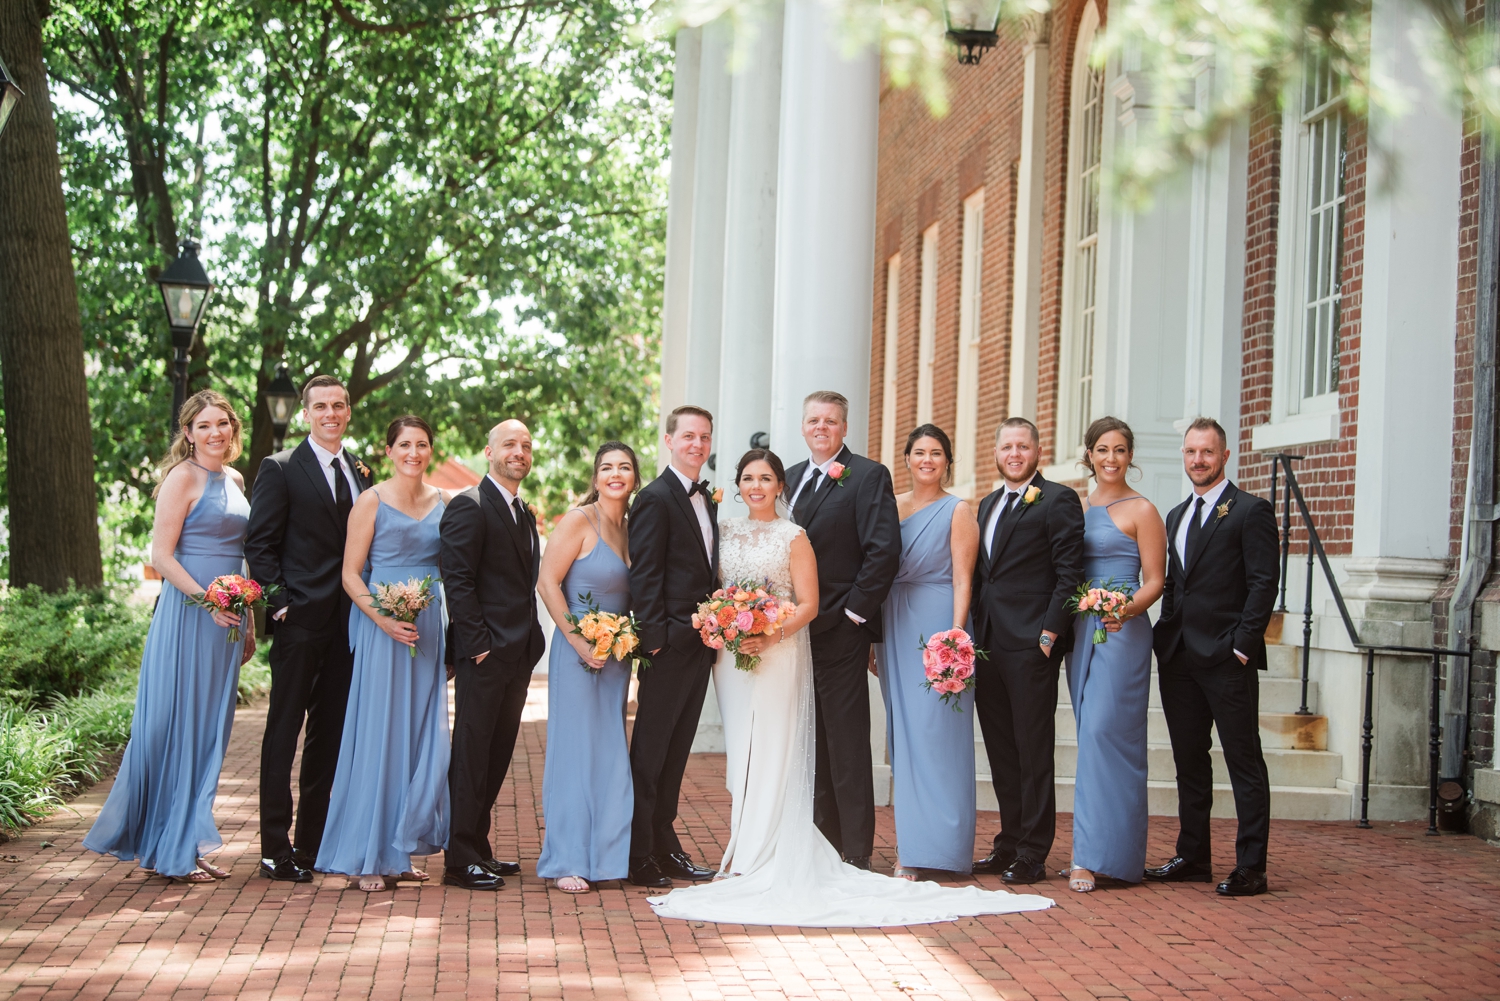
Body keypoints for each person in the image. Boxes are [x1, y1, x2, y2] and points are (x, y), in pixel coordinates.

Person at [648, 449, 1053, 926]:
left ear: (780, 486)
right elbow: (705, 583)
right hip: (732, 661)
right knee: (742, 756)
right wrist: (722, 624)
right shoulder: (727, 529)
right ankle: (745, 844)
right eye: (748, 478)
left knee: (783, 748)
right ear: (738, 485)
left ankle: (777, 850)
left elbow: (833, 582)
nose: (756, 486)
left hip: (786, 646)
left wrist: (775, 629)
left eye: (765, 478)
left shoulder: (797, 531)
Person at [85, 391, 255, 883]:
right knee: (180, 726)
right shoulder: (181, 478)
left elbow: (241, 557)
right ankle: (170, 845)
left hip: (227, 619)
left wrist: (244, 619)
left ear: (232, 428)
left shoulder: (237, 480)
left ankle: (185, 838)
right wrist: (208, 602)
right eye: (203, 426)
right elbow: (161, 556)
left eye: (222, 423)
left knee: (209, 733)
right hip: (189, 614)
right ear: (187, 433)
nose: (215, 433)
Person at [315, 416, 453, 891]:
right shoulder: (369, 501)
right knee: (380, 733)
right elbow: (351, 574)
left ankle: (400, 849)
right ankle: (369, 854)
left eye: (422, 444)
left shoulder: (445, 503)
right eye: (405, 444)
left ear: (429, 450)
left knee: (419, 736)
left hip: (427, 627)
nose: (413, 452)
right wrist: (384, 618)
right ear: (389, 450)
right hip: (381, 626)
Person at [246, 374, 372, 882]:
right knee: (283, 732)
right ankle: (274, 847)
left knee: (330, 737)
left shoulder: (362, 471)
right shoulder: (279, 469)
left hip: (349, 624)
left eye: (338, 405)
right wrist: (278, 606)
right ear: (306, 413)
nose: (330, 414)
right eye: (320, 406)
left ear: (347, 411)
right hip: (299, 621)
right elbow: (260, 543)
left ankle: (312, 844)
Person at [1147, 417, 1279, 897]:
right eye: (1190, 453)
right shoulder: (1177, 515)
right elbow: (1177, 583)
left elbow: (1264, 584)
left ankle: (1252, 867)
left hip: (1227, 657)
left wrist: (1242, 646)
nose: (1197, 460)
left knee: (1243, 760)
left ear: (1225, 456)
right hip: (1179, 657)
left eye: (1206, 452)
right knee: (1189, 761)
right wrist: (1165, 637)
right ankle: (1193, 856)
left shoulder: (1249, 511)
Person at [781, 391, 900, 870]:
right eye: (814, 420)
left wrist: (855, 615)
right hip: (793, 632)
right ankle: (818, 841)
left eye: (831, 421)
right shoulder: (787, 479)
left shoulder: (868, 476)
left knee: (847, 739)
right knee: (809, 737)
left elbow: (883, 551)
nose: (822, 428)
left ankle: (855, 850)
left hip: (840, 629)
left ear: (844, 428)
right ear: (803, 425)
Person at [970, 416, 1086, 885]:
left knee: (1033, 749)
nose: (1014, 454)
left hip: (1032, 645)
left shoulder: (1059, 500)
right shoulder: (986, 504)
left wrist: (1049, 635)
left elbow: (1069, 572)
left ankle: (1034, 852)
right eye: (1007, 447)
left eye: (1023, 446)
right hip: (988, 644)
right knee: (1000, 749)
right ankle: (1010, 842)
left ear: (1037, 452)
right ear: (996, 453)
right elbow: (984, 576)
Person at [440, 420, 547, 890]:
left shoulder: (523, 512)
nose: (519, 451)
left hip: (518, 653)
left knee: (497, 753)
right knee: (471, 753)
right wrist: (478, 644)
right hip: (484, 653)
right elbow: (457, 580)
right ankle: (459, 857)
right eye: (510, 444)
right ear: (489, 451)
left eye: (525, 445)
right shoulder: (469, 505)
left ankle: (478, 846)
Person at [1063, 417, 1166, 893]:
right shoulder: (1076, 507)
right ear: (1089, 455)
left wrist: (1124, 610)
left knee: (1110, 734)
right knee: (1090, 735)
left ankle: (1098, 856)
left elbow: (1155, 581)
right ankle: (1101, 851)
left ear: (1130, 456)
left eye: (1120, 450)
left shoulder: (1142, 510)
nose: (1110, 458)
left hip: (1121, 630)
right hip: (1083, 627)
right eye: (1102, 449)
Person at [875, 424, 980, 879]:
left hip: (937, 624)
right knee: (906, 737)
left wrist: (955, 636)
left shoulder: (960, 510)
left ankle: (947, 850)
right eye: (919, 452)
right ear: (907, 458)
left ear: (947, 461)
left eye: (936, 453)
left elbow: (963, 577)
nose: (927, 460)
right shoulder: (891, 508)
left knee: (940, 736)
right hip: (895, 623)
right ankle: (913, 849)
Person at [535, 442, 640, 893]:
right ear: (595, 477)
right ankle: (567, 859)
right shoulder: (580, 520)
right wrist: (579, 642)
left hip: (617, 655)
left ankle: (608, 857)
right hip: (578, 653)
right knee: (575, 753)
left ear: (635, 477)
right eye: (606, 468)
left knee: (611, 753)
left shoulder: (634, 528)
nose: (615, 474)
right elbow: (547, 582)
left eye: (625, 467)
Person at [626, 406, 720, 888]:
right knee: (650, 753)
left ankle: (665, 845)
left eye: (704, 437)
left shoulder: (709, 500)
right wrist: (655, 644)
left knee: (677, 750)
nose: (697, 444)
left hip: (701, 645)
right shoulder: (655, 498)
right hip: (668, 646)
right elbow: (644, 576)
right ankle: (638, 853)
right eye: (688, 436)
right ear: (668, 441)